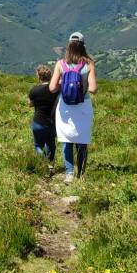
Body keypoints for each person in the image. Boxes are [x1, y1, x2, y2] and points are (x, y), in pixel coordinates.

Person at [49, 31, 97, 183]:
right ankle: (80, 173)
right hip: (83, 105)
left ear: (69, 46)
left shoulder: (60, 64)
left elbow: (52, 88)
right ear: (83, 46)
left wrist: (63, 83)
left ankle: (69, 173)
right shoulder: (89, 64)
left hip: (65, 106)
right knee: (82, 139)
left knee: (66, 139)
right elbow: (93, 89)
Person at [28, 64, 57, 165]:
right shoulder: (55, 90)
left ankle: (44, 163)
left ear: (39, 77)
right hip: (51, 122)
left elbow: (30, 104)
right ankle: (49, 164)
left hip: (38, 122)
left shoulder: (34, 90)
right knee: (51, 145)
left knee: (38, 145)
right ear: (50, 76)